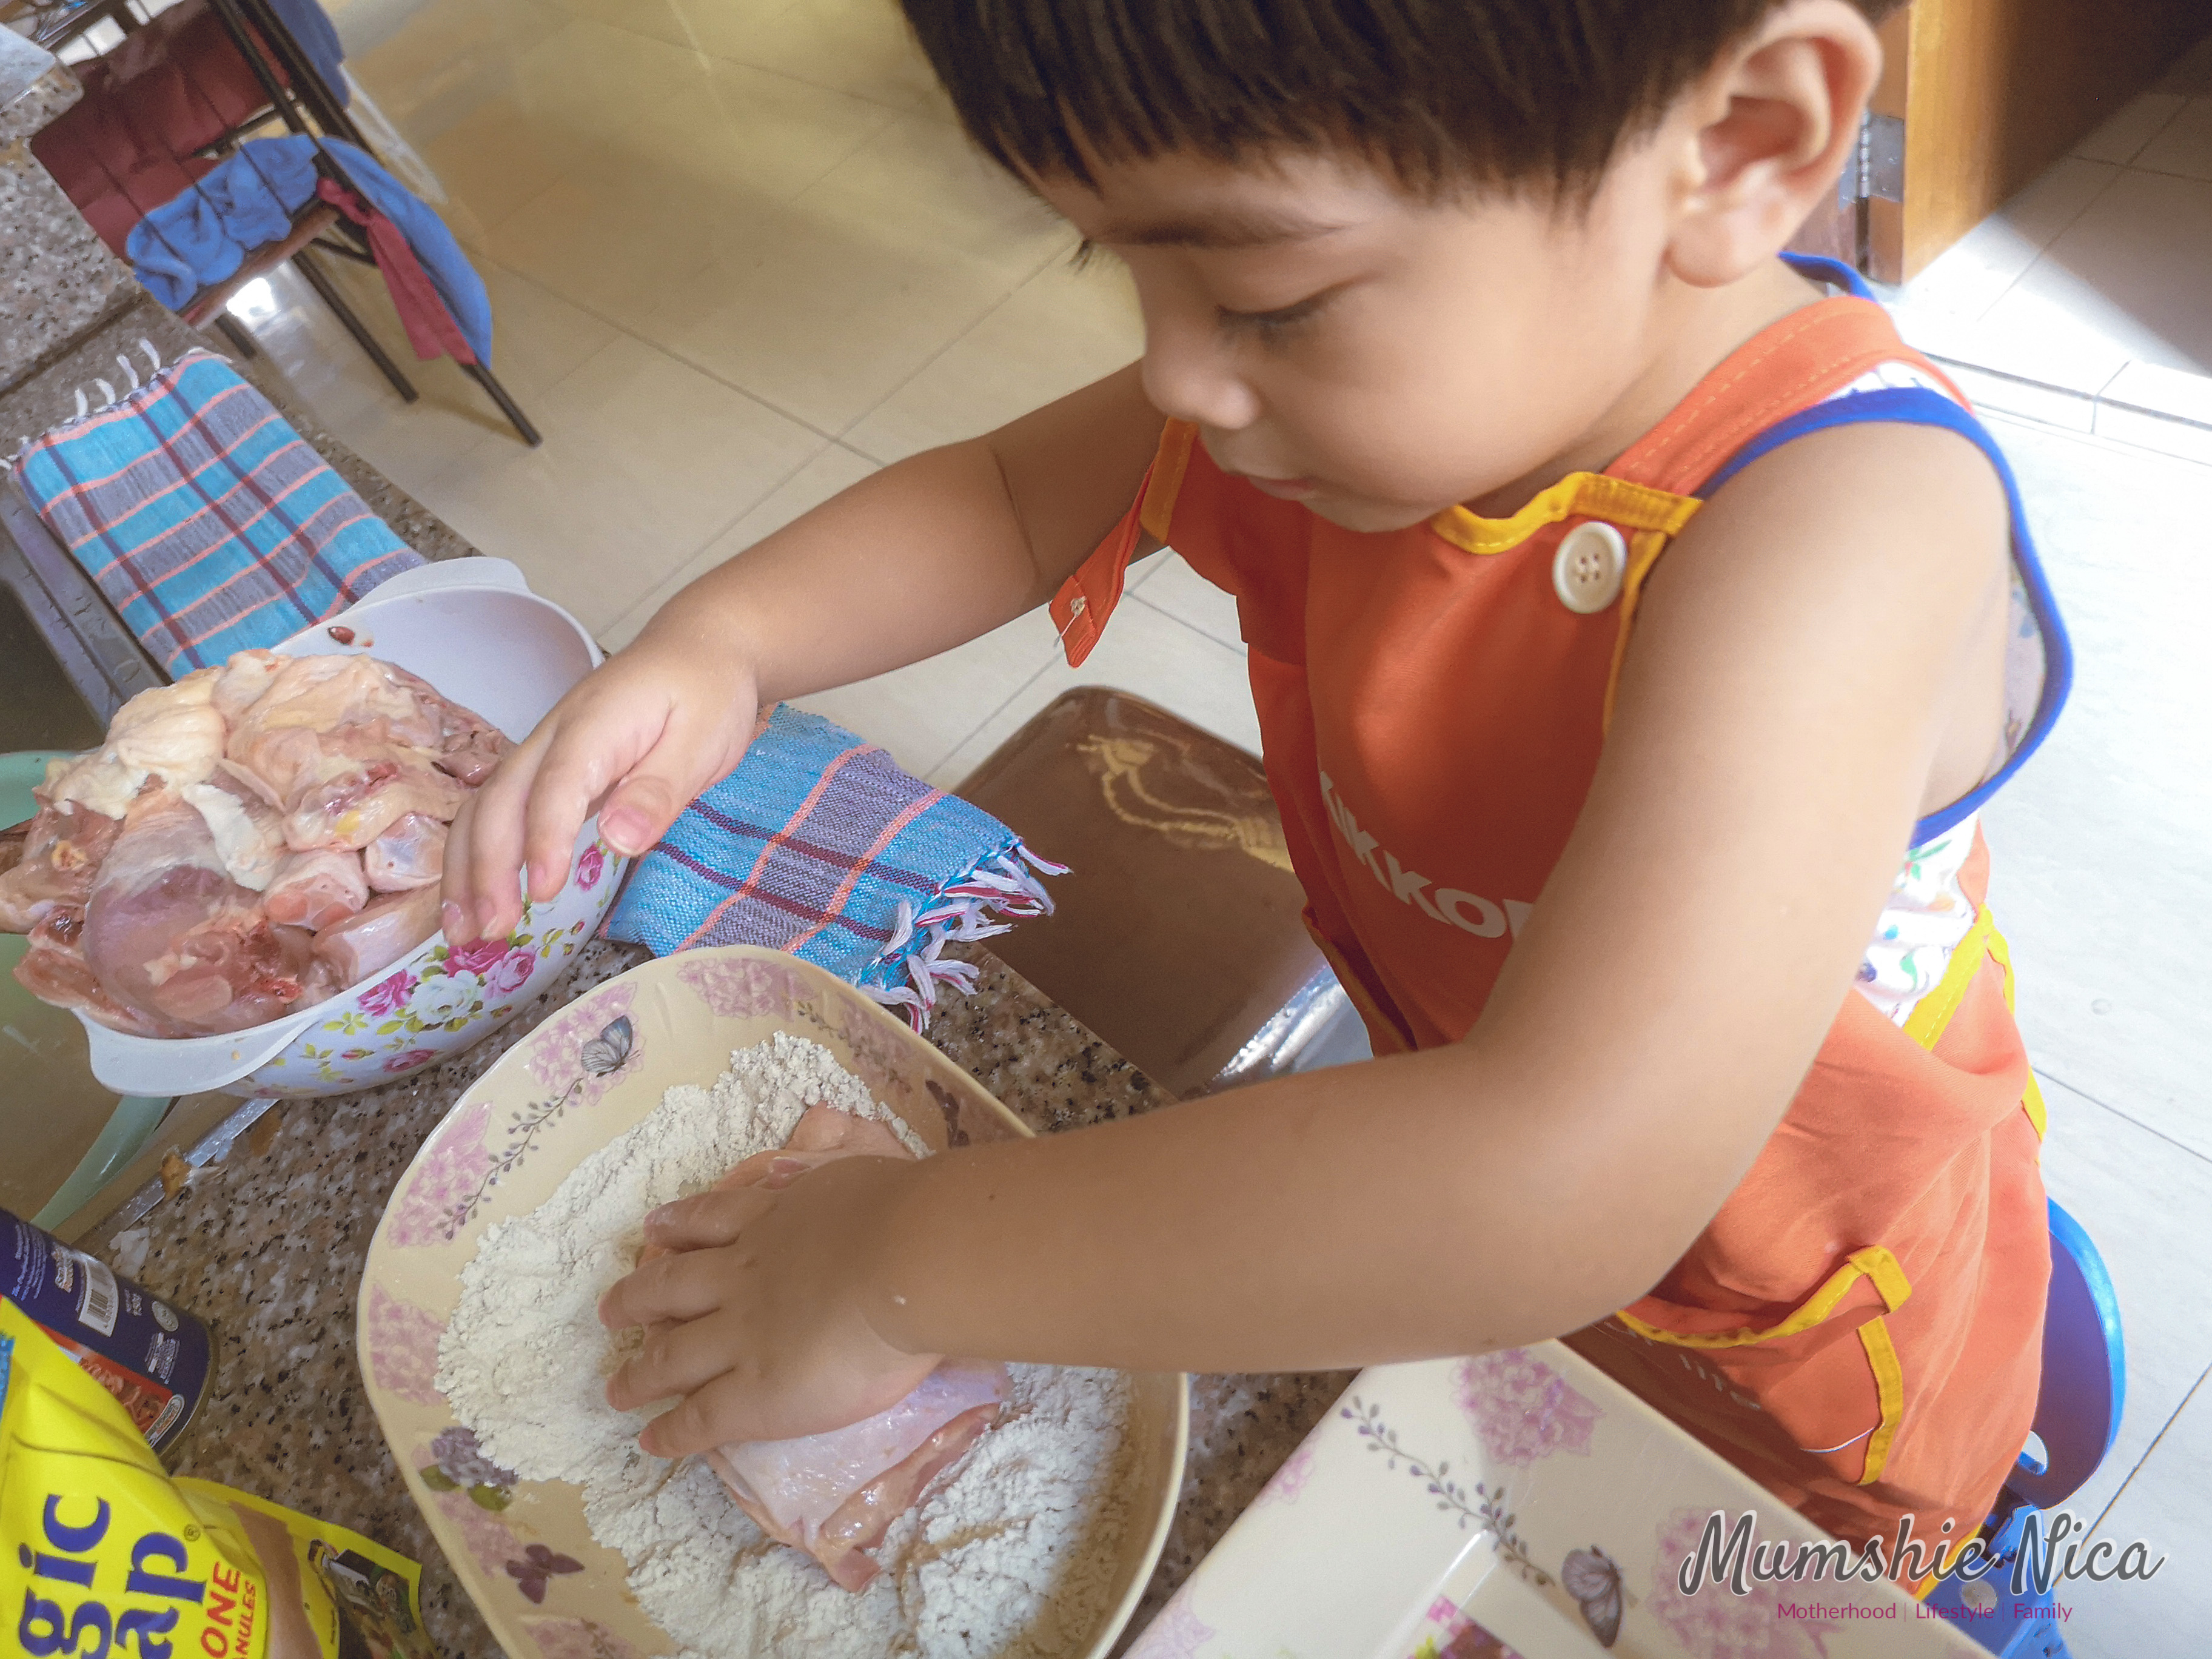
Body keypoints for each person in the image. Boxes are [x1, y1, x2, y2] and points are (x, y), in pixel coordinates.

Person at [441, 0, 2068, 1573]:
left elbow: (1554, 1175)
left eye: (1268, 295)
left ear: (1736, 144)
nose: (1177, 381)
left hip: (1782, 1356)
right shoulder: (1336, 394)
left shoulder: (1846, 529)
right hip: (1459, 1186)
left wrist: (883, 1265)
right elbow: (1021, 497)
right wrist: (727, 646)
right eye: (1118, 261)